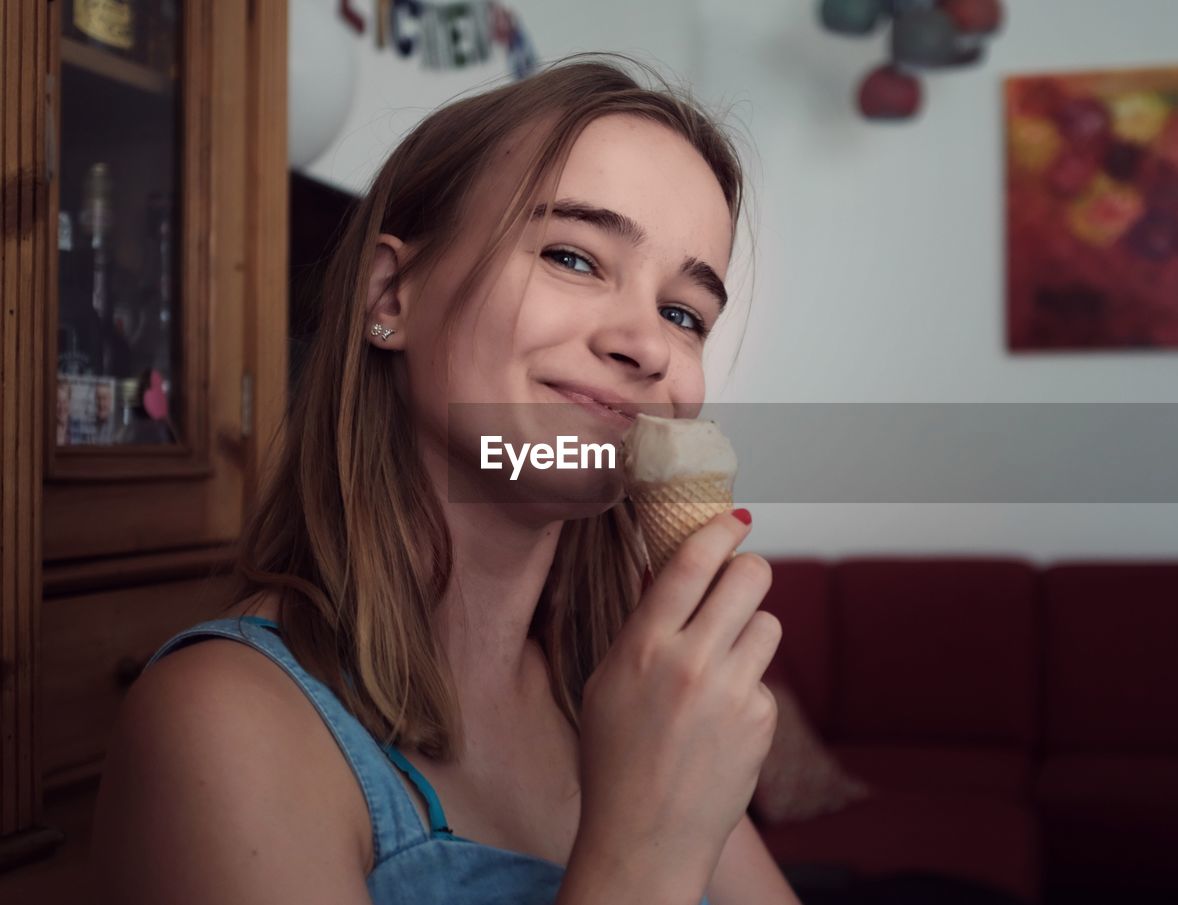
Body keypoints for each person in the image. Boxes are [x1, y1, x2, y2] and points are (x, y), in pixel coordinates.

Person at [91, 56, 795, 905]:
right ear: (391, 293)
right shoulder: (218, 722)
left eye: (684, 314)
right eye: (574, 257)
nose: (647, 345)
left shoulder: (628, 699)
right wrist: (649, 846)